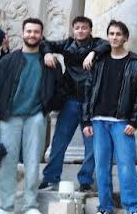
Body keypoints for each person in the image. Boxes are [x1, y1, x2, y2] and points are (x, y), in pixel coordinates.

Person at [0, 18, 64, 214]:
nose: (32, 35)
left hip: (35, 117)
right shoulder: (8, 61)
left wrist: (47, 106)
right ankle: (5, 206)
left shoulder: (50, 63)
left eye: (36, 32)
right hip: (10, 117)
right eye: (29, 31)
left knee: (33, 163)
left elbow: (60, 89)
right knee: (7, 162)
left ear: (42, 34)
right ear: (22, 33)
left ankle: (30, 206)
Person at [82, 20, 137, 214]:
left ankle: (132, 207)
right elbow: (88, 92)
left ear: (125, 37)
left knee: (126, 165)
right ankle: (105, 208)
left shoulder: (136, 63)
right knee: (101, 166)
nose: (114, 37)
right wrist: (86, 121)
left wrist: (134, 122)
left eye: (118, 34)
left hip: (122, 122)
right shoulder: (99, 62)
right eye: (111, 33)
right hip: (99, 121)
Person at [39, 16, 102, 191]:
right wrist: (47, 53)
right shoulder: (67, 44)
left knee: (91, 145)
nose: (80, 31)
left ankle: (86, 180)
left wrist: (93, 52)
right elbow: (44, 43)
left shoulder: (97, 44)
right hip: (71, 99)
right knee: (59, 141)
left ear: (90, 30)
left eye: (84, 28)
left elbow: (106, 45)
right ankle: (51, 177)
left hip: (91, 102)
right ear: (73, 30)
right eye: (77, 28)